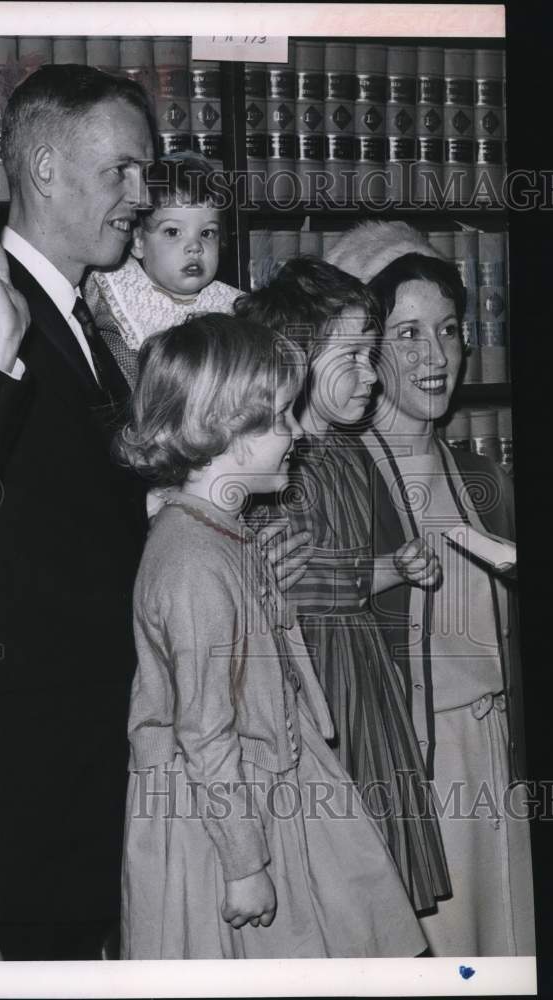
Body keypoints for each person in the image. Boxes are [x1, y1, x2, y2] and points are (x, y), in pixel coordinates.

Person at [0, 64, 309, 960]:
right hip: (43, 794)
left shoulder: (88, 323)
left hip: (114, 783)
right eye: (120, 170)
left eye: (143, 173)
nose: (138, 196)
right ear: (42, 169)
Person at [117, 312, 428, 959]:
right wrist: (242, 865)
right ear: (226, 431)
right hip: (222, 819)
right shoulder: (192, 562)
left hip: (269, 783)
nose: (295, 434)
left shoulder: (221, 533)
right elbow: (203, 732)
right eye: (280, 419)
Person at [326, 221, 535, 956]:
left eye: (447, 330)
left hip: (492, 765)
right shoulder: (333, 483)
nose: (435, 356)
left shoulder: (482, 480)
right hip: (403, 774)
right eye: (407, 333)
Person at [234, 257, 452, 915]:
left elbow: (336, 568)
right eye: (353, 356)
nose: (369, 373)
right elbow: (299, 585)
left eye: (371, 354)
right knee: (336, 873)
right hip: (311, 680)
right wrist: (381, 570)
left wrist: (398, 564)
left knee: (373, 878)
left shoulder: (350, 449)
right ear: (297, 359)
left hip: (360, 673)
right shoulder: (277, 460)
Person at [83, 152, 240, 387]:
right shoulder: (114, 290)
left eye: (207, 233)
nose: (195, 247)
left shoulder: (234, 306)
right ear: (138, 241)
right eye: (173, 232)